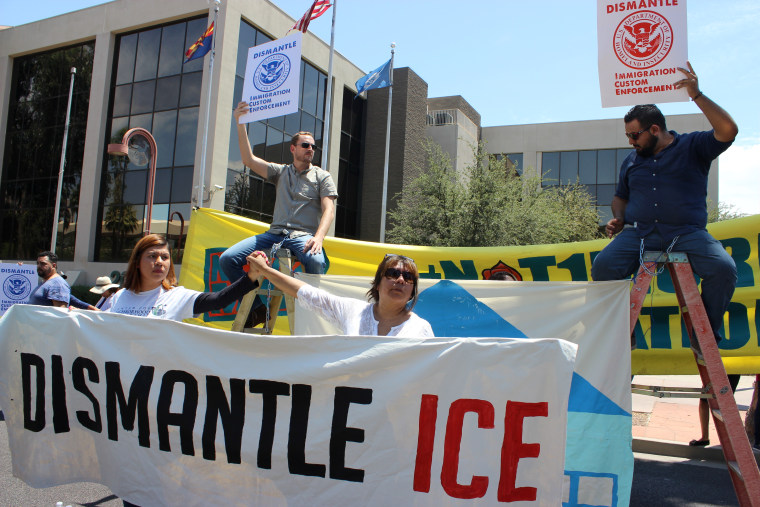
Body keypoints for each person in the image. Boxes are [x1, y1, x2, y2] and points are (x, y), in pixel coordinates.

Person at [591, 62, 739, 344]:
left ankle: (704, 334)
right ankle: (623, 334)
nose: (631, 141)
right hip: (640, 233)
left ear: (655, 129)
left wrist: (697, 95)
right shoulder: (632, 161)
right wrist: (619, 217)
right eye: (628, 136)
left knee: (723, 269)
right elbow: (620, 197)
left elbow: (729, 130)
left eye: (635, 135)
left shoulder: (693, 146)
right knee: (604, 266)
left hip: (687, 233)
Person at [245, 251, 434, 337]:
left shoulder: (421, 329)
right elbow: (303, 291)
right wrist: (265, 270)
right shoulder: (351, 310)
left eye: (408, 277)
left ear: (412, 291)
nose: (400, 280)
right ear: (377, 283)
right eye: (393, 273)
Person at [106, 234, 259, 321]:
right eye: (152, 256)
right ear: (137, 262)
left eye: (165, 257)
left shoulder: (178, 297)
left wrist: (251, 276)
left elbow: (219, 300)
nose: (159, 262)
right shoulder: (118, 298)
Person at [689, 374, 741, 447]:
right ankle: (728, 439)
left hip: (718, 369)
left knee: (706, 400)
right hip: (733, 369)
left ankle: (705, 437)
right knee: (724, 402)